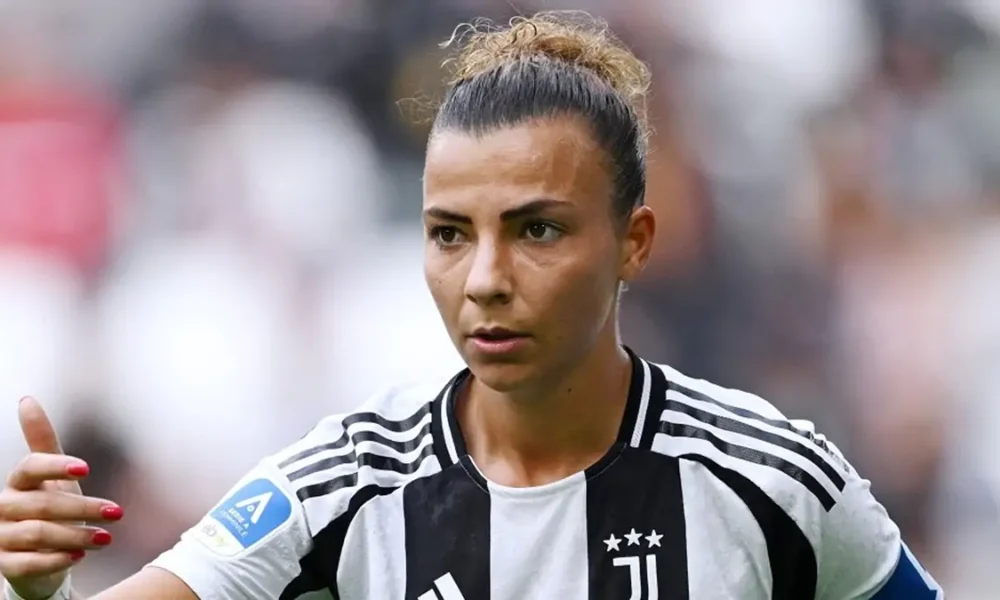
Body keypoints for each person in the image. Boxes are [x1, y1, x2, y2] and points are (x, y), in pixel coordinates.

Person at [0, 12, 943, 600]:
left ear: (633, 242)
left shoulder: (771, 479)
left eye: (538, 230)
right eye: (450, 234)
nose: (485, 277)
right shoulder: (342, 489)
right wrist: (36, 591)